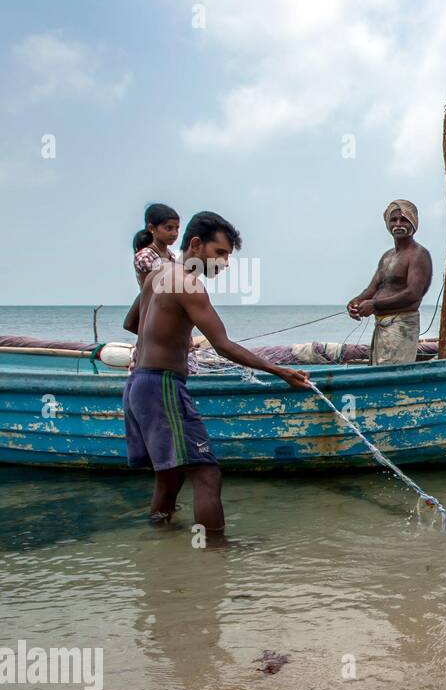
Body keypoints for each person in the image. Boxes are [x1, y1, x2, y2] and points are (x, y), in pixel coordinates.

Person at [123, 211, 310, 535]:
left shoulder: (158, 274)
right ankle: (216, 556)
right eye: (220, 253)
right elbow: (223, 345)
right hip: (163, 385)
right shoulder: (188, 284)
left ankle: (160, 543)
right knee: (207, 474)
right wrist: (280, 372)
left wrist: (170, 333)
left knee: (170, 475)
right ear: (196, 244)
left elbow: (131, 323)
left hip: (138, 384)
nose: (224, 263)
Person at [346, 199, 434, 365]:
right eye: (394, 220)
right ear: (387, 223)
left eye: (404, 220)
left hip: (401, 327)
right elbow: (372, 288)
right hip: (382, 326)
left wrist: (375, 305)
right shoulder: (388, 256)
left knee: (391, 374)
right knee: (377, 371)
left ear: (414, 223)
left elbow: (413, 294)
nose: (398, 224)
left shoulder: (418, 255)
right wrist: (356, 302)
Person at [124, 202, 181, 335]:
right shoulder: (145, 256)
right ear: (152, 228)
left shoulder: (171, 255)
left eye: (177, 228)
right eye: (169, 228)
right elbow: (151, 290)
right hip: (153, 307)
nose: (174, 233)